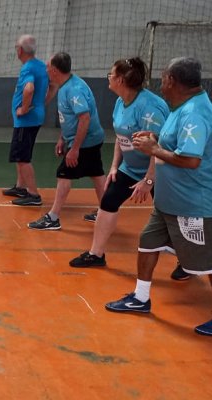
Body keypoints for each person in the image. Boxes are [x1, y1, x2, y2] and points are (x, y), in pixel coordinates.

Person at [105, 57, 212, 336]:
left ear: (173, 81)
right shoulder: (182, 107)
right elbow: (174, 141)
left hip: (195, 203)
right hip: (171, 200)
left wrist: (154, 150)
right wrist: (154, 137)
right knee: (148, 241)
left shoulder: (195, 114)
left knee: (211, 261)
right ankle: (140, 298)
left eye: (163, 79)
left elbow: (190, 160)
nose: (160, 85)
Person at [68, 57, 169, 267]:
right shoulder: (120, 102)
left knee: (169, 216)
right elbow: (121, 137)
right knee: (108, 201)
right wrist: (115, 166)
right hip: (130, 168)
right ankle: (96, 254)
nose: (109, 77)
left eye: (111, 74)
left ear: (121, 79)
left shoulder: (150, 108)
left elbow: (160, 147)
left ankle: (188, 262)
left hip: (160, 171)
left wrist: (149, 181)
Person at [28, 52, 105, 230]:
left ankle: (53, 217)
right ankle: (105, 209)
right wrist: (62, 138)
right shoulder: (66, 85)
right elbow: (69, 118)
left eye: (48, 67)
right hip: (90, 139)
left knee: (64, 174)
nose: (46, 69)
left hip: (86, 141)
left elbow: (84, 118)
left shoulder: (73, 90)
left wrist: (75, 149)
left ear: (54, 70)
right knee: (97, 173)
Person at [3, 34, 49, 206]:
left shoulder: (28, 68)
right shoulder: (41, 66)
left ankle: (33, 194)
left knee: (22, 157)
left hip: (26, 120)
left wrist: (23, 108)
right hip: (34, 118)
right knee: (21, 154)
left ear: (20, 50)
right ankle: (21, 187)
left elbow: (29, 89)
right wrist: (41, 104)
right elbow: (52, 86)